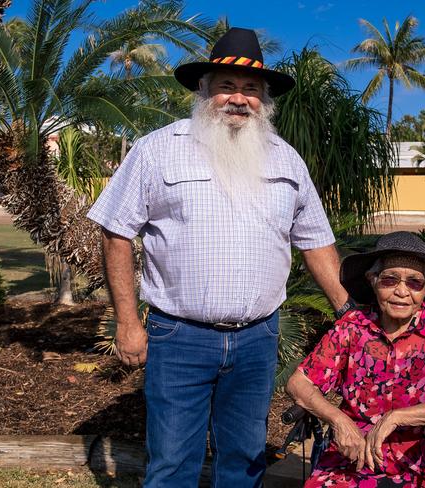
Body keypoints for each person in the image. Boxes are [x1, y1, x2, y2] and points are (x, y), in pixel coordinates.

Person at [87, 27, 352, 487]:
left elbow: (315, 240)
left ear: (264, 99)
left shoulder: (286, 161)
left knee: (244, 459)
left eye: (251, 89)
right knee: (172, 463)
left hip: (257, 340)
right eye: (227, 86)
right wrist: (127, 322)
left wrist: (348, 312)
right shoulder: (158, 151)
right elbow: (116, 232)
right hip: (179, 336)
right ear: (204, 90)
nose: (239, 98)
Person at [287, 231, 425, 488]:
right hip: (352, 458)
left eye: (415, 282)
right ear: (373, 280)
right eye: (390, 280)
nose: (402, 291)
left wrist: (396, 417)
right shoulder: (352, 327)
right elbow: (297, 383)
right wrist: (339, 420)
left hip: (420, 463)